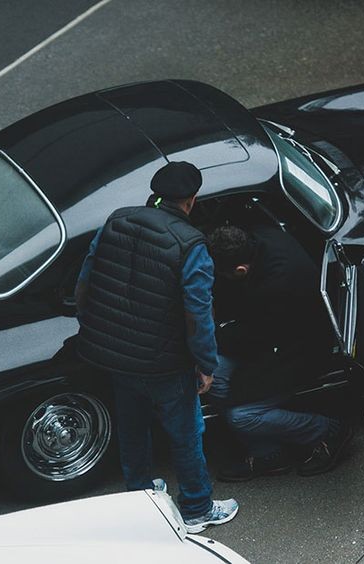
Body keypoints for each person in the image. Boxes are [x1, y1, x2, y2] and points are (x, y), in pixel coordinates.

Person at [75, 161, 237, 533]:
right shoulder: (191, 244)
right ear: (191, 200)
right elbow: (197, 313)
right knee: (186, 433)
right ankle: (197, 508)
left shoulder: (117, 220)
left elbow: (86, 279)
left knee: (132, 428)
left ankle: (141, 498)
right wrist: (206, 364)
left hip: (117, 354)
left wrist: (93, 327)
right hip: (165, 363)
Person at [207, 224, 353, 481]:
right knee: (215, 375)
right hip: (276, 338)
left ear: (240, 270)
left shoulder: (276, 286)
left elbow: (254, 336)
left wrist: (209, 335)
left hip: (299, 351)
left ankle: (327, 431)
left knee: (241, 416)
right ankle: (267, 452)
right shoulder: (264, 237)